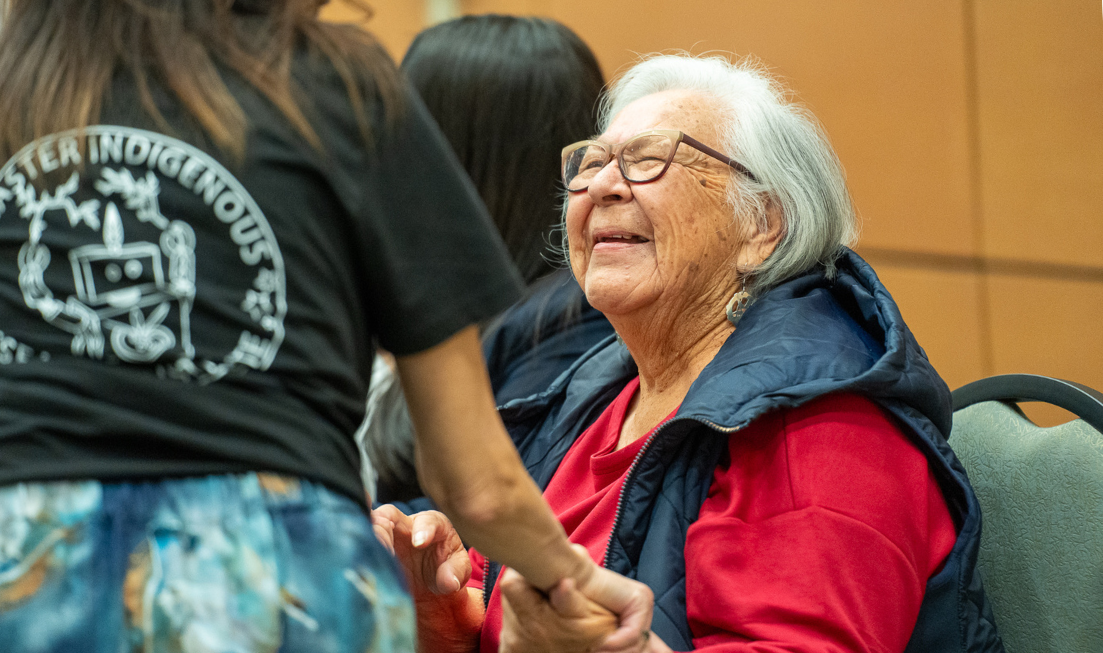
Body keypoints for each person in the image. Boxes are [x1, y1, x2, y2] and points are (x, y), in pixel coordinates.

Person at [0, 1, 651, 651]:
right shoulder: (340, 83)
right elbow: (473, 482)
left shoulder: (13, 81)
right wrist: (573, 581)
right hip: (274, 565)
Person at [383, 53, 1007, 652]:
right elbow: (512, 617)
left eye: (648, 160)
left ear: (763, 225)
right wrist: (443, 622)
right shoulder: (590, 399)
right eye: (592, 162)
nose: (601, 185)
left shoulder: (822, 427)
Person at [359, 15, 616, 503]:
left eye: (400, 129)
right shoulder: (454, 305)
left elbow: (493, 516)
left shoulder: (571, 328)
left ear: (450, 156)